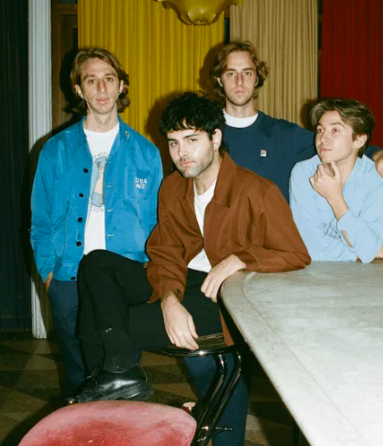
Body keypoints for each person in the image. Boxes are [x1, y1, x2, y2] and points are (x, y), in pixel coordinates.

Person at [73, 92, 311, 446]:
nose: (181, 152)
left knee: (101, 323)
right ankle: (119, 372)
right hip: (181, 283)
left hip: (224, 300)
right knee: (96, 262)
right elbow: (165, 251)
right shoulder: (173, 186)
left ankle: (111, 389)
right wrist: (169, 300)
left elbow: (295, 254)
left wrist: (240, 258)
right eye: (173, 143)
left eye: (191, 140)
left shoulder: (256, 191)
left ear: (215, 138)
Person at [30, 48, 163, 396]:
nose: (101, 88)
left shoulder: (147, 153)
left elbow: (157, 224)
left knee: (122, 378)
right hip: (68, 278)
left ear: (121, 85)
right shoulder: (55, 150)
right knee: (78, 379)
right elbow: (40, 221)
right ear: (78, 89)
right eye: (91, 80)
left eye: (109, 78)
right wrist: (49, 275)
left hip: (124, 279)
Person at [209, 40, 383, 202]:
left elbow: (339, 147)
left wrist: (378, 155)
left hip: (274, 237)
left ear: (256, 79)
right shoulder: (205, 136)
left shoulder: (283, 134)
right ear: (219, 80)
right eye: (231, 73)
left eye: (247, 73)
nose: (240, 81)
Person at [290, 98, 383, 262]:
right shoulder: (304, 173)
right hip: (313, 275)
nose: (323, 138)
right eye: (320, 130)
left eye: (335, 130)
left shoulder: (379, 177)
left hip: (363, 276)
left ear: (359, 140)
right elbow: (308, 247)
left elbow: (368, 247)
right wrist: (375, 252)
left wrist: (335, 198)